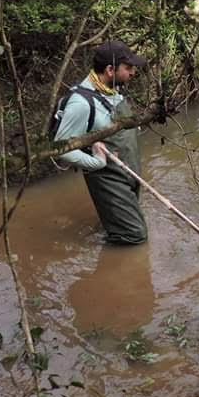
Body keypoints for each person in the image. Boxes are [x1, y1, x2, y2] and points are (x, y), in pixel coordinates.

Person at [54, 39, 148, 244]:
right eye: (128, 68)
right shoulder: (81, 104)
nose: (133, 72)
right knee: (134, 236)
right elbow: (61, 148)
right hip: (108, 177)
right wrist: (97, 162)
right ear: (110, 70)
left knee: (130, 226)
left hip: (128, 171)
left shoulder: (112, 88)